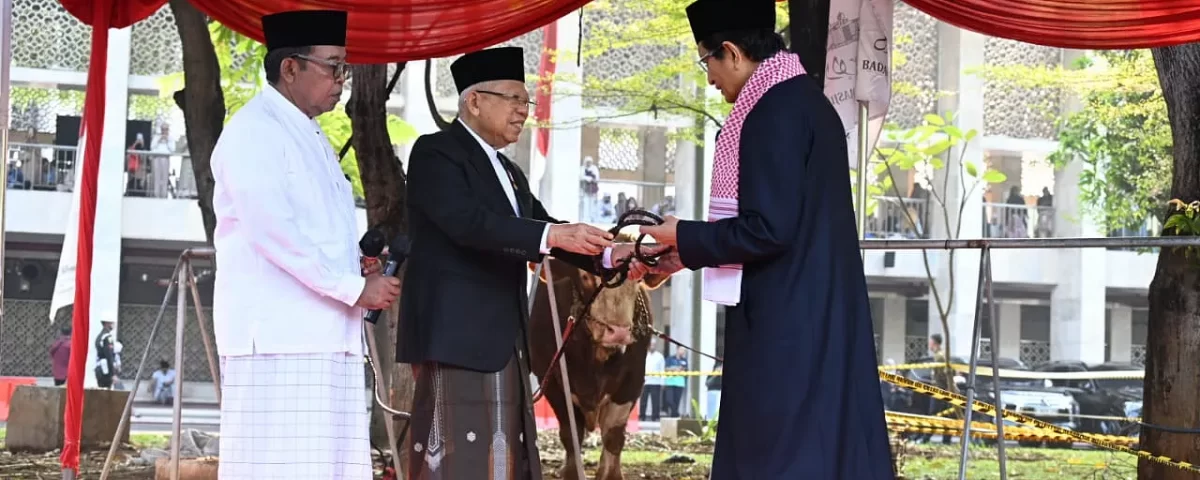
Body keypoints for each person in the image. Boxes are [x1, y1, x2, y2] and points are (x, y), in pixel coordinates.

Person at [631, 0, 894, 477]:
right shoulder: (802, 101)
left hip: (788, 322)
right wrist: (684, 251)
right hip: (813, 311)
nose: (709, 78)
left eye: (706, 61)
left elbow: (769, 228)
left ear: (730, 52)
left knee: (780, 454)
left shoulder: (772, 112)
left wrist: (686, 235)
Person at [397, 46, 659, 480]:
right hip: (456, 339)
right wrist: (551, 234)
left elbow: (548, 229)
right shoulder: (435, 153)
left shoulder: (510, 172)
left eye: (526, 101)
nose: (523, 111)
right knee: (457, 462)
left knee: (505, 458)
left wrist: (613, 253)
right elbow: (469, 223)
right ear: (474, 101)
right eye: (513, 99)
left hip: (504, 340)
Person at [208, 9, 400, 479]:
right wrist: (352, 288)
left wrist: (359, 266)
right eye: (333, 67)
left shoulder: (307, 133)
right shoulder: (255, 131)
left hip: (322, 334)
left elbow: (313, 232)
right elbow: (276, 233)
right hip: (279, 341)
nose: (342, 80)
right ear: (290, 68)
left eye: (344, 68)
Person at [641, 338, 665, 421]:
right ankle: (642, 416)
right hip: (645, 381)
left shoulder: (660, 356)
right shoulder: (644, 354)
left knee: (656, 401)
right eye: (651, 344)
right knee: (643, 401)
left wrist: (662, 382)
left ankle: (655, 417)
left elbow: (662, 369)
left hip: (656, 382)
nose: (652, 346)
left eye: (654, 345)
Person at [93, 320, 117, 389]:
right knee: (106, 394)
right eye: (112, 323)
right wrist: (113, 374)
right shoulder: (107, 337)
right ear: (107, 324)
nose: (113, 325)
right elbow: (109, 356)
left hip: (99, 368)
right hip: (105, 370)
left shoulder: (99, 336)